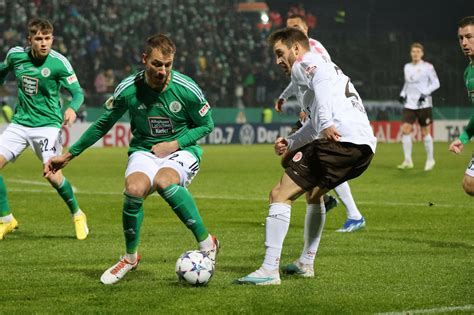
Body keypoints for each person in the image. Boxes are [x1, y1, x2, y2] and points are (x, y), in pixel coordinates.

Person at [45, 34, 219, 285]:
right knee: (134, 189)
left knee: (164, 182)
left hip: (183, 149)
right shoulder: (128, 89)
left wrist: (174, 144)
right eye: (157, 64)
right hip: (144, 150)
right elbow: (103, 124)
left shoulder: (186, 88)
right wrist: (69, 154)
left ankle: (207, 243)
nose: (163, 71)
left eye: (168, 65)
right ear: (144, 59)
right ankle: (130, 258)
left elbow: (207, 124)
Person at [235, 27, 376, 285]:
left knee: (279, 194)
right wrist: (291, 141)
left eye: (280, 53)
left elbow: (320, 85)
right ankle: (306, 263)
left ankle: (268, 270)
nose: (277, 61)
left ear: (296, 48)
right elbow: (311, 124)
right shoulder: (317, 71)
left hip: (339, 141)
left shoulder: (306, 62)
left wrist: (324, 124)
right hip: (363, 148)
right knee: (314, 194)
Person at [276, 14, 366, 238]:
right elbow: (304, 82)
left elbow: (321, 75)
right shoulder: (300, 62)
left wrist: (322, 118)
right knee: (298, 161)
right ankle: (325, 201)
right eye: (289, 28)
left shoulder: (313, 50)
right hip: (317, 111)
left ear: (305, 30)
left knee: (289, 180)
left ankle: (350, 212)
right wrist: (287, 97)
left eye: (296, 27)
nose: (292, 30)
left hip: (326, 113)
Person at [0, 18, 88, 240]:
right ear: (29, 40)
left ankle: (78, 214)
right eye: (38, 39)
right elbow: (2, 70)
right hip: (20, 124)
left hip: (48, 126)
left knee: (52, 175)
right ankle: (6, 219)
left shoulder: (59, 63)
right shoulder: (16, 56)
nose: (43, 43)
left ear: (52, 39)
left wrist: (71, 109)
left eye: (47, 38)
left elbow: (77, 93)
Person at [398, 42, 440, 171]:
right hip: (410, 104)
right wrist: (402, 93)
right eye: (413, 51)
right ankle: (408, 160)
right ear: (410, 53)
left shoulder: (428, 67)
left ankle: (430, 159)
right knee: (405, 129)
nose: (415, 54)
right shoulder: (407, 67)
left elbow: (436, 83)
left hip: (423, 103)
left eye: (418, 51)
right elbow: (407, 83)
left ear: (422, 53)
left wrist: (425, 93)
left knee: (424, 131)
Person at [449, 16, 474, 196]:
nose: (464, 42)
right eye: (461, 38)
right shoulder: (468, 73)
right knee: (469, 184)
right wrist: (464, 137)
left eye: (469, 36)